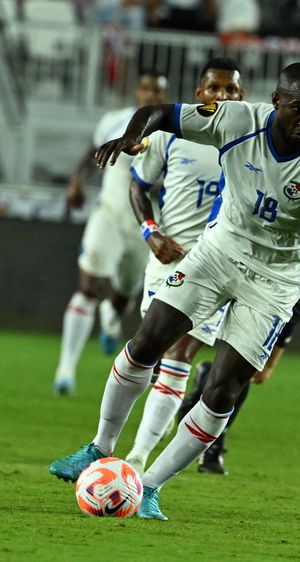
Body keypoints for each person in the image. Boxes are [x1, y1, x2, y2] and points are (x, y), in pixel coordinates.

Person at [49, 62, 300, 521]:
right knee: (147, 340)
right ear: (277, 101)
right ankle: (99, 447)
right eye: (299, 109)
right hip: (217, 252)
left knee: (224, 389)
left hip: (274, 281)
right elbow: (159, 113)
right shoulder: (238, 119)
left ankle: (148, 487)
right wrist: (130, 137)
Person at [121, 57, 245, 475]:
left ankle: (136, 458)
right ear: (199, 94)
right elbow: (138, 186)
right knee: (147, 350)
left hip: (217, 266)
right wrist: (151, 234)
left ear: (241, 96)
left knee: (181, 354)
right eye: (215, 89)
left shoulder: (252, 143)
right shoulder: (171, 138)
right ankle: (105, 442)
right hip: (167, 258)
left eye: (231, 91)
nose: (223, 97)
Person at [176, 228, 300, 474]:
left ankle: (207, 379)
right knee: (241, 356)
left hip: (293, 278)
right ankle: (212, 446)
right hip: (242, 261)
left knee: (260, 372)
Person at [53, 71, 168, 397]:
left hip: (145, 227)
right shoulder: (114, 121)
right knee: (88, 287)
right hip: (109, 214)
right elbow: (92, 152)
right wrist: (76, 180)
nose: (150, 94)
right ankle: (65, 371)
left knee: (122, 297)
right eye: (146, 88)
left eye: (157, 90)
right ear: (137, 91)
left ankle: (112, 316)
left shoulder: (176, 133)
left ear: (165, 94)